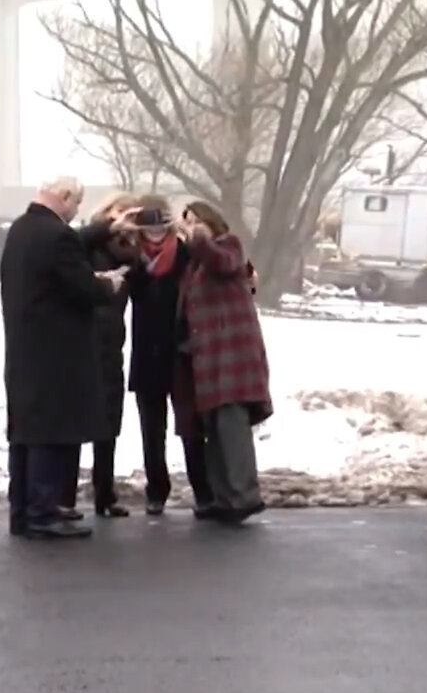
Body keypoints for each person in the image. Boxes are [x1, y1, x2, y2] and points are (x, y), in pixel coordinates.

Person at [0, 176, 126, 539]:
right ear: (66, 197)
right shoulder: (56, 236)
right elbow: (82, 286)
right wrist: (108, 284)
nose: (77, 212)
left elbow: (65, 253)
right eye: (77, 204)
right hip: (54, 354)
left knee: (25, 433)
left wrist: (106, 228)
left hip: (25, 351)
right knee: (49, 432)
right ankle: (44, 512)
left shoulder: (23, 230)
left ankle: (23, 511)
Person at [110, 195, 214, 517]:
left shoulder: (185, 255)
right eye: (148, 229)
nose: (155, 235)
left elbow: (222, 263)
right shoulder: (133, 259)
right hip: (146, 353)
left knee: (191, 429)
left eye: (160, 228)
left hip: (181, 352)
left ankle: (203, 490)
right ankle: (156, 490)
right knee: (150, 431)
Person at [174, 202, 271, 524]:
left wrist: (197, 236)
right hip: (209, 356)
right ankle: (224, 497)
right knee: (214, 429)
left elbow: (223, 261)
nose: (190, 228)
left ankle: (244, 495)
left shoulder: (228, 246)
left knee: (232, 427)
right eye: (186, 222)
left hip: (233, 356)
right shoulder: (194, 264)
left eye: (197, 221)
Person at [60, 191, 140, 519]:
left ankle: (104, 493)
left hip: (112, 344)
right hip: (84, 340)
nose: (121, 221)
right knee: (77, 422)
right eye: (117, 214)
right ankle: (65, 497)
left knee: (109, 422)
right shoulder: (84, 245)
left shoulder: (129, 253)